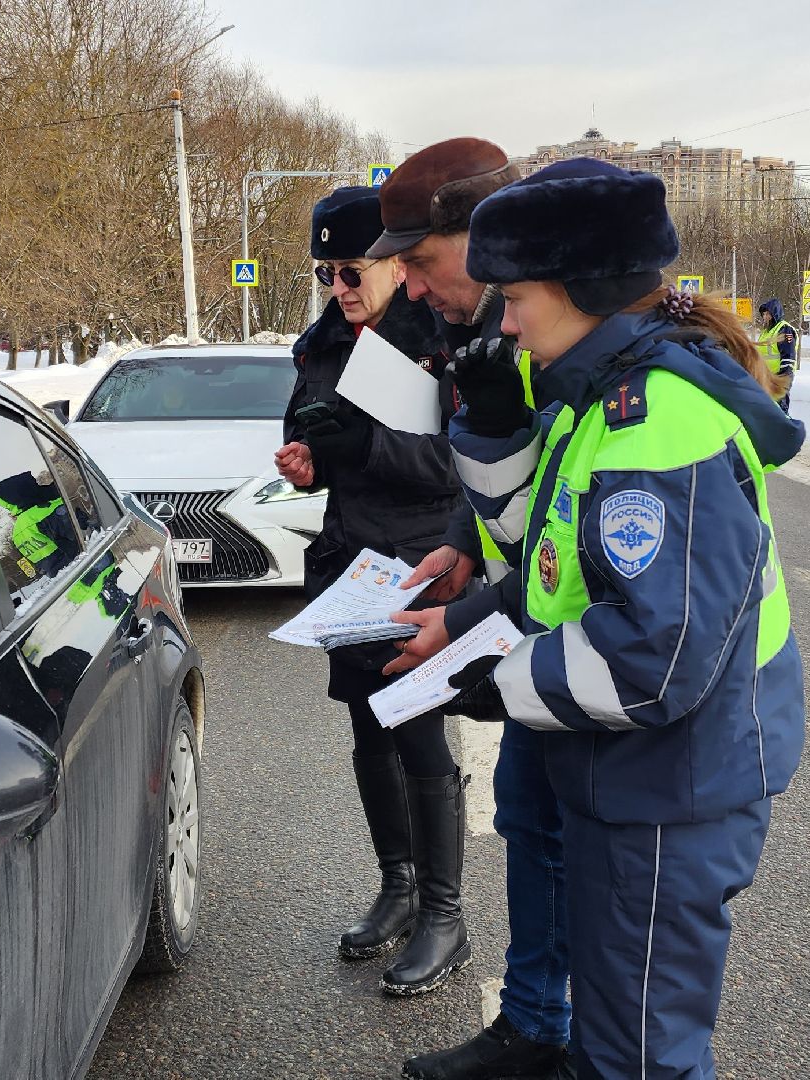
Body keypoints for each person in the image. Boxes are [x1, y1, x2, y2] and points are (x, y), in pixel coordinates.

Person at [388, 158, 805, 1079]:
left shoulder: (655, 418)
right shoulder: (598, 397)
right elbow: (553, 580)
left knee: (639, 1056)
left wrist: (478, 679)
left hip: (671, 783)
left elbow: (650, 662)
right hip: (635, 774)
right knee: (613, 1036)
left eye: (518, 296)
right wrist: (456, 632)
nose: (505, 320)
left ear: (582, 291)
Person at [368, 139, 577, 1080]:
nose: (409, 286)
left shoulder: (559, 340)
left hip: (582, 649)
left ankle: (568, 1035)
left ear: (484, 238)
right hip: (536, 630)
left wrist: (469, 624)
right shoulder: (498, 335)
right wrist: (461, 532)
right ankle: (531, 1027)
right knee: (530, 827)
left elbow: (565, 520)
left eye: (419, 260)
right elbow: (496, 475)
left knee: (607, 892)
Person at [274, 184, 475, 996]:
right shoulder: (320, 340)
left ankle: (443, 913)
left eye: (352, 269)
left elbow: (458, 465)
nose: (339, 287)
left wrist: (364, 445)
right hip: (348, 558)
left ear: (394, 265)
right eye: (325, 272)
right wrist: (304, 462)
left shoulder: (439, 336)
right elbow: (303, 431)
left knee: (416, 728)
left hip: (423, 558)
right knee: (366, 726)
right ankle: (396, 885)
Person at [757, 298, 798, 411]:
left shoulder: (784, 330)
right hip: (766, 377)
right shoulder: (766, 332)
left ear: (775, 313)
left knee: (779, 411)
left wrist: (783, 378)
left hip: (779, 377)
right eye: (763, 314)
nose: (765, 317)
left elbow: (788, 356)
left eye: (768, 314)